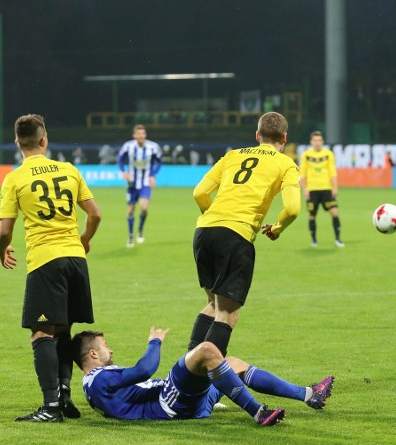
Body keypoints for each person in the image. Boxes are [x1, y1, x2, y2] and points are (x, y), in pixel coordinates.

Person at [0, 114, 102, 422]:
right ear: (45, 140)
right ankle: (65, 396)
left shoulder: (15, 178)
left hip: (45, 260)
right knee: (63, 329)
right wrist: (83, 240)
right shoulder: (69, 170)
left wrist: (3, 249)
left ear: (18, 144)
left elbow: (4, 231)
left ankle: (50, 407)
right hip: (75, 260)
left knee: (41, 332)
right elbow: (95, 214)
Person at [189, 111, 301, 357]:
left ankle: (185, 373)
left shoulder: (232, 156)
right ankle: (199, 380)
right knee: (227, 314)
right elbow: (292, 209)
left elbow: (199, 193)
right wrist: (277, 228)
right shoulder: (286, 164)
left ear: (258, 135)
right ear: (284, 137)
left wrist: (216, 216)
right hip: (235, 236)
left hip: (204, 231)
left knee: (213, 304)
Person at [71, 326, 334, 426]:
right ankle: (258, 412)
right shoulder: (99, 380)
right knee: (207, 350)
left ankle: (309, 395)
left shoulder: (94, 384)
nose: (111, 349)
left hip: (183, 405)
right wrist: (154, 342)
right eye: (105, 346)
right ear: (93, 354)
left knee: (230, 363)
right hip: (170, 402)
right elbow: (144, 370)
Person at [117, 124, 162, 247]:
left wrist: (153, 175)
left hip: (145, 183)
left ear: (145, 135)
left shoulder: (153, 147)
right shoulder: (128, 146)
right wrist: (123, 172)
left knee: (144, 208)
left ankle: (140, 229)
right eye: (139, 134)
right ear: (134, 135)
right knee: (131, 210)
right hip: (132, 183)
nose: (141, 136)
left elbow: (159, 162)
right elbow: (120, 159)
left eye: (143, 133)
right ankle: (131, 235)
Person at [299, 131, 343, 247]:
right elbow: (302, 173)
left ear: (322, 141)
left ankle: (338, 239)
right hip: (312, 189)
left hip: (326, 188)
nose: (317, 143)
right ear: (311, 142)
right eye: (315, 141)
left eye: (319, 140)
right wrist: (305, 190)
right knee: (312, 215)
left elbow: (332, 172)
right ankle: (314, 240)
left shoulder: (328, 154)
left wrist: (335, 187)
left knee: (334, 212)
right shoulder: (306, 155)